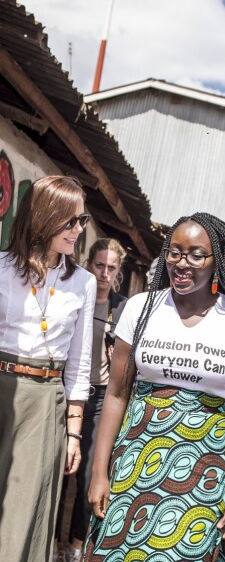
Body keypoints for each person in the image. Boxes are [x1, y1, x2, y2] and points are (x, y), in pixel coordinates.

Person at [84, 213, 225, 561]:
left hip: (204, 469)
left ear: (219, 261)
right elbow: (118, 394)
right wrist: (99, 471)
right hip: (134, 462)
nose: (182, 263)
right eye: (175, 252)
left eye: (197, 255)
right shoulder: (141, 308)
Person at [0, 175, 96, 562]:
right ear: (44, 217)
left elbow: (80, 362)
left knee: (24, 511)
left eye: (82, 220)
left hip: (44, 403)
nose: (78, 230)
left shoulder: (84, 283)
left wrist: (74, 432)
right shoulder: (3, 268)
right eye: (70, 221)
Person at [55, 238, 128, 561]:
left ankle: (75, 544)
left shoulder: (122, 308)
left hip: (99, 399)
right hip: (67, 393)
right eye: (99, 265)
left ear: (119, 271)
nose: (104, 273)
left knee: (88, 476)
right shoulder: (72, 294)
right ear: (89, 263)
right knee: (57, 471)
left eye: (111, 268)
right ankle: (51, 540)